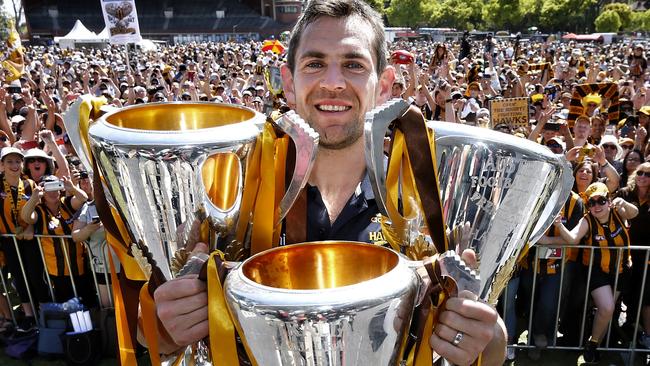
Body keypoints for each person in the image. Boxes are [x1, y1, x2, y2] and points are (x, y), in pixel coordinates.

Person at [152, 0, 506, 365]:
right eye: (315, 63)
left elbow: (491, 344)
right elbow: (152, 338)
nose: (333, 82)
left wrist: (484, 335)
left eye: (353, 65)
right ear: (289, 83)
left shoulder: (427, 205)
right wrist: (167, 328)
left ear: (383, 86)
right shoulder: (230, 201)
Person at [540, 182, 638, 363]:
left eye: (601, 200)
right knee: (607, 307)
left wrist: (624, 204)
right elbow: (573, 239)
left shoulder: (618, 211)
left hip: (622, 271)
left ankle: (593, 346)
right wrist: (560, 226)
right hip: (597, 271)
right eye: (591, 203)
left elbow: (634, 213)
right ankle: (593, 344)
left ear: (608, 200)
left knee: (607, 312)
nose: (597, 206)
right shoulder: (587, 220)